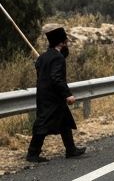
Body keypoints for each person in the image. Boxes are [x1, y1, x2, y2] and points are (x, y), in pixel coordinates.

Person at [26, 25, 86, 162]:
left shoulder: (43, 57)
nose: (67, 43)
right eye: (66, 40)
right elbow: (56, 78)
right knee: (43, 123)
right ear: (61, 42)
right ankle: (32, 154)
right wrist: (67, 94)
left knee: (65, 121)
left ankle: (71, 149)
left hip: (44, 95)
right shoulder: (57, 58)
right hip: (52, 97)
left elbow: (41, 73)